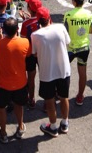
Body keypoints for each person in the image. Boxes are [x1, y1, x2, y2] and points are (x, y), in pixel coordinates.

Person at [31, 7, 71, 138]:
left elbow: (35, 53)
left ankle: (53, 127)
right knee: (64, 96)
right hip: (63, 70)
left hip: (47, 72)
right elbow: (67, 43)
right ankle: (64, 124)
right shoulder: (61, 27)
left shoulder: (35, 35)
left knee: (49, 100)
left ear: (38, 21)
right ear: (49, 18)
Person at [0, 17, 30, 143]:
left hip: (2, 84)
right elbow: (27, 54)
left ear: (3, 30)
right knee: (19, 105)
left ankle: (3, 133)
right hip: (20, 83)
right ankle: (20, 127)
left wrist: (1, 39)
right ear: (17, 29)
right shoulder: (25, 42)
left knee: (1, 107)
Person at [63, 0, 92, 105]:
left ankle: (60, 94)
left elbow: (65, 32)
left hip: (71, 49)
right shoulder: (89, 14)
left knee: (63, 72)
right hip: (84, 48)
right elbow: (90, 30)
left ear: (74, 1)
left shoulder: (68, 15)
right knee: (82, 72)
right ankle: (80, 96)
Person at [19, 0, 43, 109]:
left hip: (30, 53)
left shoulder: (26, 24)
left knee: (31, 77)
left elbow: (23, 38)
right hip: (43, 52)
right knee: (45, 76)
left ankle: (31, 99)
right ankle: (48, 101)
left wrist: (25, 20)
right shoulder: (45, 19)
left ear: (29, 8)